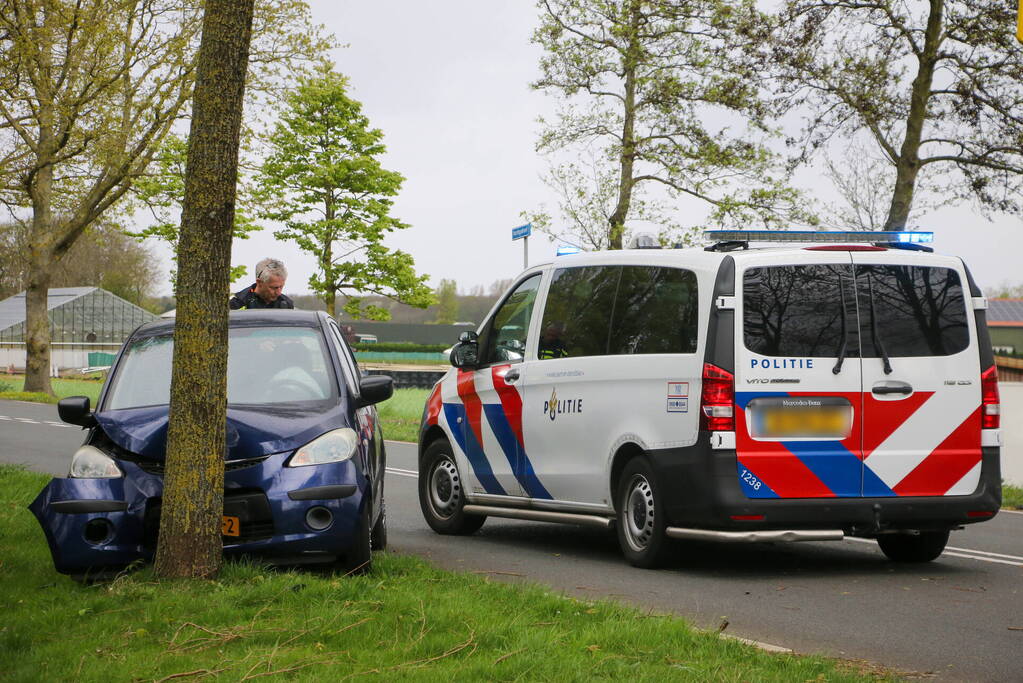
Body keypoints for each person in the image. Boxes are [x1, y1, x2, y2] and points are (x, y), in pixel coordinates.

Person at [230, 258, 295, 309]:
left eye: (281, 287)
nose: (278, 293)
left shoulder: (287, 304)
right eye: (274, 288)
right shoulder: (237, 303)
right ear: (259, 282)